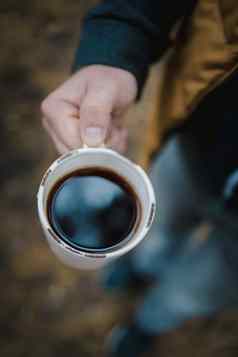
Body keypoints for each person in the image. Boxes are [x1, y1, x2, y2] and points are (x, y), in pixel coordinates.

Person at [41, 1, 238, 356]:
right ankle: (137, 268)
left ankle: (146, 323)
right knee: (157, 230)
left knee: (192, 291)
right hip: (196, 148)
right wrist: (114, 45)